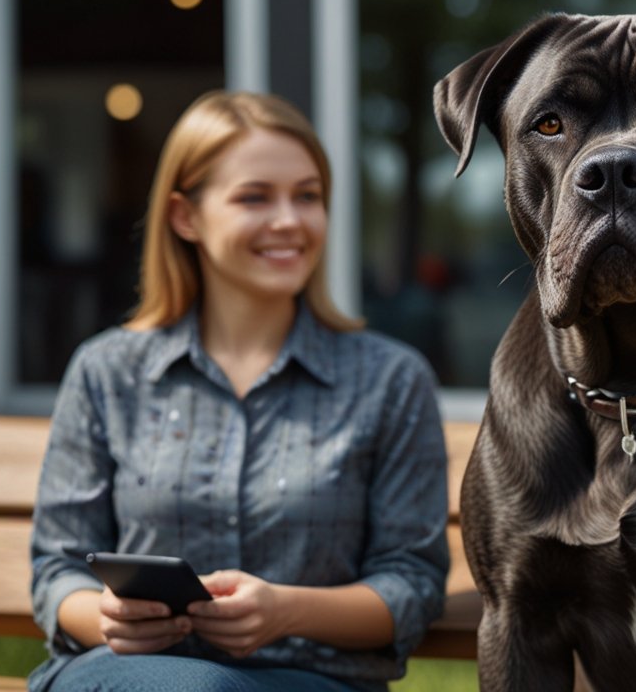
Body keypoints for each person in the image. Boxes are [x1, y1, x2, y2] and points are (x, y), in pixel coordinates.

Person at [28, 91, 449, 692]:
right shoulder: (106, 371)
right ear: (185, 216)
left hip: (309, 679)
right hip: (128, 676)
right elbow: (58, 568)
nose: (289, 220)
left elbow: (410, 584)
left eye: (307, 196)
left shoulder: (390, 380)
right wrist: (105, 617)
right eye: (255, 196)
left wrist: (286, 611)